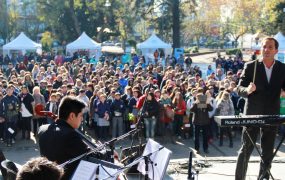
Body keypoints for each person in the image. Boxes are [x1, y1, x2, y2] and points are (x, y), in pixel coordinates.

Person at [235, 37, 285, 180]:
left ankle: (263, 178)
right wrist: (247, 90)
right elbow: (239, 88)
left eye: (270, 47)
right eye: (264, 46)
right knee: (246, 150)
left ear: (276, 50)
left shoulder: (282, 68)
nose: (266, 50)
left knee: (268, 152)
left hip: (272, 115)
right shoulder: (251, 66)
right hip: (252, 114)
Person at [38, 96, 89, 180]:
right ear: (72, 115)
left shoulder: (42, 129)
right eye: (80, 115)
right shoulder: (71, 135)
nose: (82, 119)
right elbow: (89, 156)